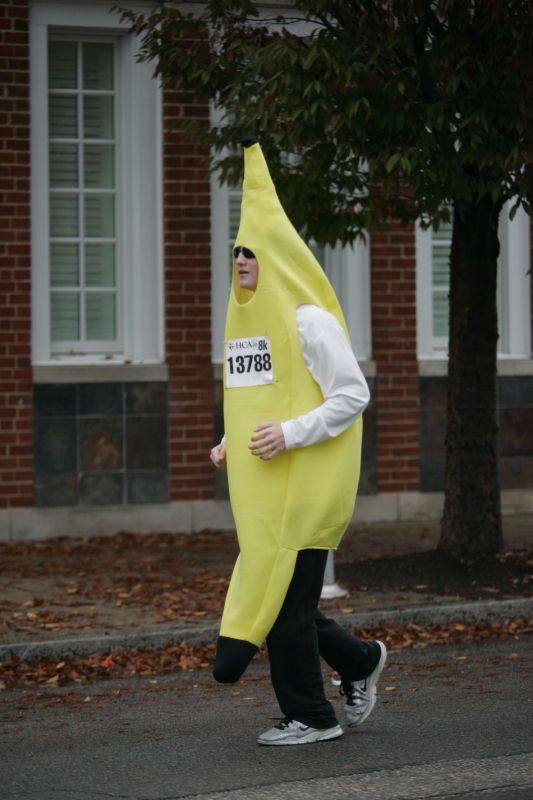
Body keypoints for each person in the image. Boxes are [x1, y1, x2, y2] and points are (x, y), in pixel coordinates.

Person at [210, 140, 387, 746]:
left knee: (286, 613)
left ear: (278, 258)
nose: (240, 263)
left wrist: (288, 435)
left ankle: (312, 718)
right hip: (270, 490)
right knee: (293, 608)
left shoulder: (310, 320)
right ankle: (360, 662)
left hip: (307, 492)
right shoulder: (247, 323)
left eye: (251, 254)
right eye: (235, 253)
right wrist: (231, 440)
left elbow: (351, 395)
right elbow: (261, 395)